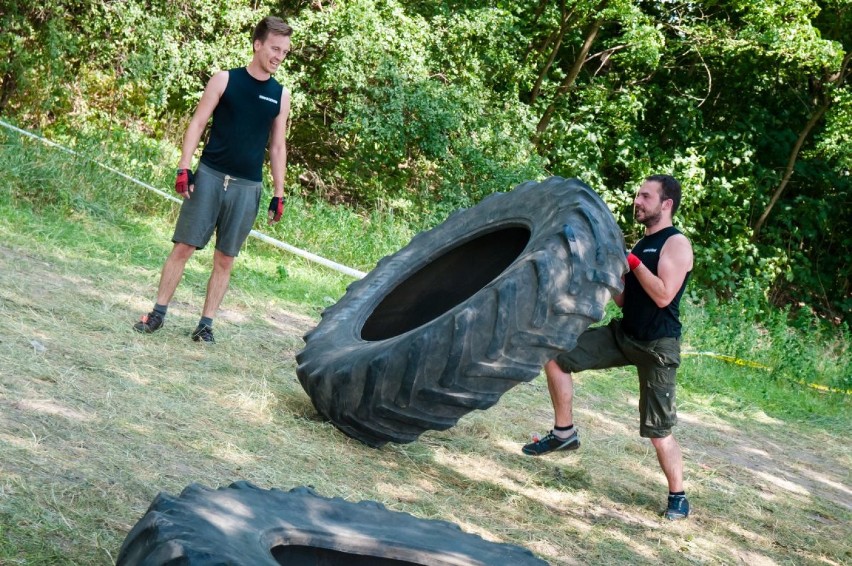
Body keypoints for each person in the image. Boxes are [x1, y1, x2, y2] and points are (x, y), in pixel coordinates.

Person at [522, 174, 694, 521]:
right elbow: (626, 300)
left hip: (657, 347)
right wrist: (610, 274)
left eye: (646, 196)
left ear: (666, 204)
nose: (638, 201)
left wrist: (630, 263)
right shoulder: (642, 245)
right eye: (638, 195)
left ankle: (678, 496)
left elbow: (662, 295)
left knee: (658, 433)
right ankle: (564, 433)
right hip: (624, 335)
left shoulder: (675, 244)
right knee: (557, 353)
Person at [133, 16, 293, 343]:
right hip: (209, 176)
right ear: (257, 44)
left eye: (285, 52)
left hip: (247, 187)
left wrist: (279, 192)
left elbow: (277, 146)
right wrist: (183, 166)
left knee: (225, 258)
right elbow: (197, 124)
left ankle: (205, 325)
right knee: (184, 247)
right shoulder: (224, 80)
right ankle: (157, 315)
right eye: (275, 48)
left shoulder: (281, 95)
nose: (279, 56)